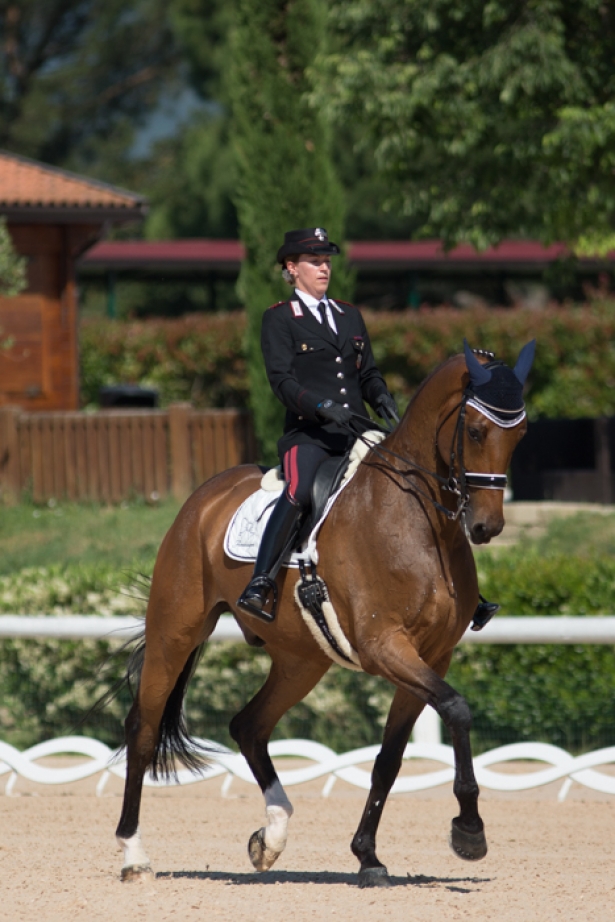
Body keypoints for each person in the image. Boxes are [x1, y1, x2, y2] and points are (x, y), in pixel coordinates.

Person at [237, 227, 398, 621]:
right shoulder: (279, 319)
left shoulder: (349, 315)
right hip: (310, 434)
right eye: (315, 262)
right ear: (291, 268)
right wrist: (322, 406)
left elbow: (368, 373)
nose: (324, 268)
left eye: (327, 261)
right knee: (298, 490)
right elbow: (282, 382)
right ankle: (262, 581)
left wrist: (383, 399)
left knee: (409, 480)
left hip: (358, 431)